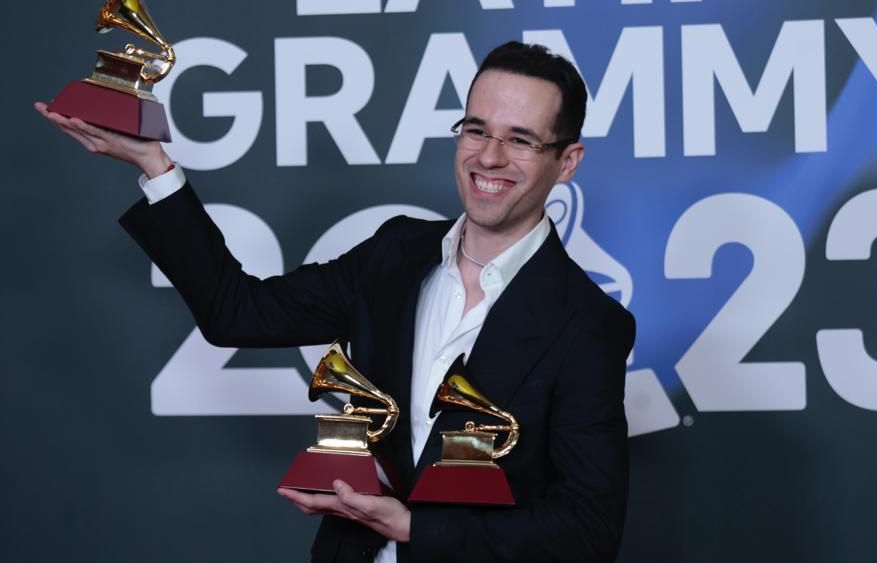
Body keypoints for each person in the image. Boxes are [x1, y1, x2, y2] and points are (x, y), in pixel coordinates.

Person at [35, 41, 635, 563]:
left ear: (567, 162)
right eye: (476, 130)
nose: (489, 157)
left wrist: (413, 528)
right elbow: (238, 311)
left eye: (520, 140)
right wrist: (155, 165)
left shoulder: (588, 325)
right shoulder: (395, 253)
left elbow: (587, 532)